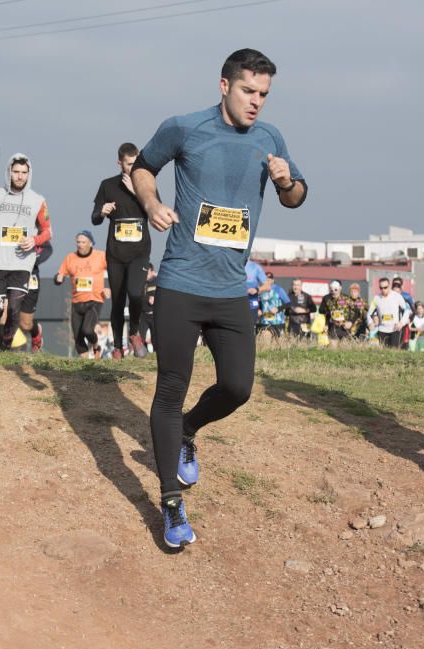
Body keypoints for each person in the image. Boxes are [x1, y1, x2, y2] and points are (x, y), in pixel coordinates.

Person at [131, 48, 307, 548]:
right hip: (181, 282)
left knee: (237, 387)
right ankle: (170, 505)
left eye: (264, 95)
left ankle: (188, 430)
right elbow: (143, 166)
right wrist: (151, 203)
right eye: (248, 91)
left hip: (231, 289)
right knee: (170, 388)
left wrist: (285, 181)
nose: (256, 103)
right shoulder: (184, 128)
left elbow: (296, 196)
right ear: (224, 85)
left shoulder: (270, 139)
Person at [0, 153, 52, 352]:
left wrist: (34, 240)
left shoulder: (37, 200)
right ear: (9, 172)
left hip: (21, 263)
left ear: (29, 174)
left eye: (24, 173)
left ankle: (5, 349)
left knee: (14, 310)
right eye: (16, 172)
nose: (20, 176)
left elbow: (48, 232)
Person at [91, 142, 152, 358]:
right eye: (128, 164)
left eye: (136, 163)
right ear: (120, 162)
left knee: (135, 294)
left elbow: (155, 212)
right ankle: (118, 348)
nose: (132, 167)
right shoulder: (107, 185)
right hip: (116, 253)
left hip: (139, 252)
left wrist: (138, 192)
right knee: (117, 300)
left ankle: (134, 332)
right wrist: (102, 211)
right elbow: (95, 218)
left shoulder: (146, 183)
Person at [55, 230, 109, 358]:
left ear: (91, 243)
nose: (80, 244)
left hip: (95, 300)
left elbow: (115, 271)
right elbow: (60, 274)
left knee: (87, 330)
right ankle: (86, 367)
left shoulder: (101, 256)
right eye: (78, 242)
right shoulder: (70, 258)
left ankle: (96, 347)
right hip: (77, 303)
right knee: (78, 338)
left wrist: (109, 287)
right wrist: (58, 278)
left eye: (83, 242)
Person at [19, 241, 53, 352]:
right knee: (3, 314)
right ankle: (3, 353)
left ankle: (35, 332)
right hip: (6, 273)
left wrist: (34, 259)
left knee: (25, 325)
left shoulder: (36, 226)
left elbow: (47, 248)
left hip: (30, 276)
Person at [367, 277, 410, 348]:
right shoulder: (376, 298)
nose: (383, 290)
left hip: (395, 329)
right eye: (381, 288)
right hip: (382, 330)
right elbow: (369, 313)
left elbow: (407, 310)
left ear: (389, 286)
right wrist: (370, 322)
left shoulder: (397, 296)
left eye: (385, 287)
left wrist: (402, 323)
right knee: (383, 353)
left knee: (393, 352)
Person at [256, 272, 288, 338]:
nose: (267, 281)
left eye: (269, 279)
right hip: (265, 320)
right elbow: (259, 302)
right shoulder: (261, 290)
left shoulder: (279, 289)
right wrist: (258, 309)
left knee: (278, 344)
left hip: (278, 321)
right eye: (265, 279)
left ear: (273, 280)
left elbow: (288, 303)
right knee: (265, 340)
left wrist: (278, 309)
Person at [140, 263, 158, 351]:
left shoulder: (158, 281)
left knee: (155, 338)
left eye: (146, 272)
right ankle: (141, 355)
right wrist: (148, 298)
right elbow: (138, 296)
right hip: (143, 314)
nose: (144, 275)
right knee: (140, 337)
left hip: (155, 314)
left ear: (152, 271)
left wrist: (155, 298)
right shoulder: (141, 284)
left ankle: (156, 355)